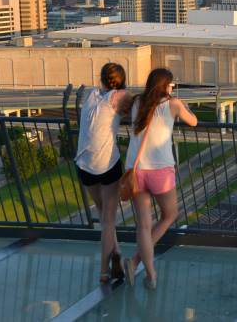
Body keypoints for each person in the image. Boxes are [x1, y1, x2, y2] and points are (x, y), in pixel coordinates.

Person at [122, 68, 198, 289]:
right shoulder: (173, 104)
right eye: (171, 84)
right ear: (165, 85)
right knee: (170, 215)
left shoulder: (137, 102)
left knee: (143, 226)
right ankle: (135, 261)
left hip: (135, 171)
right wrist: (184, 105)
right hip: (160, 171)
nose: (172, 87)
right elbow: (193, 122)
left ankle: (150, 275)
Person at [75, 62, 133, 284]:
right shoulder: (121, 96)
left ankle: (116, 254)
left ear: (101, 79)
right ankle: (103, 272)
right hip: (107, 165)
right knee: (109, 220)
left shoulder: (91, 95)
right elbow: (139, 110)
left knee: (103, 215)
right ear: (121, 80)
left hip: (83, 165)